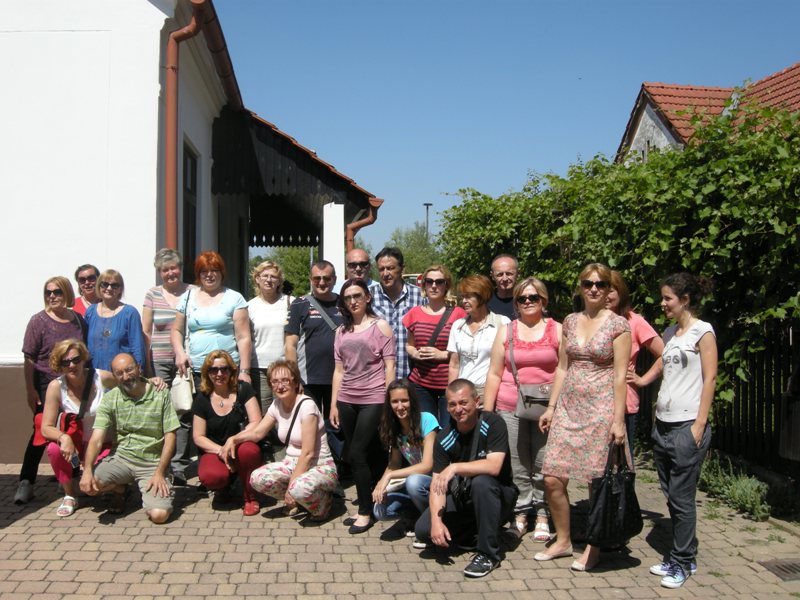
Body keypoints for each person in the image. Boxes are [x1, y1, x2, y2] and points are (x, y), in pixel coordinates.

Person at [537, 263, 631, 571]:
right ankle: (563, 540)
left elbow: (620, 376)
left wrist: (618, 420)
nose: (593, 289)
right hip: (568, 408)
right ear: (580, 287)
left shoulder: (618, 325)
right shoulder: (570, 321)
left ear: (608, 289)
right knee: (552, 476)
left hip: (601, 409)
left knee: (596, 481)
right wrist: (551, 407)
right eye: (588, 283)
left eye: (600, 284)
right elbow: (562, 367)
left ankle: (594, 545)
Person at [37, 340, 164, 516]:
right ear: (59, 365)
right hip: (75, 446)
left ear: (83, 359)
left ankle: (119, 490)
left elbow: (127, 381)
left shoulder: (100, 377)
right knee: (54, 449)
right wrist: (64, 438)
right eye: (65, 362)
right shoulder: (56, 387)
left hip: (104, 443)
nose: (72, 365)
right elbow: (46, 427)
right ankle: (70, 494)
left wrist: (151, 381)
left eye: (76, 359)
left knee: (95, 483)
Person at [649, 273, 716, 589]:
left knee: (682, 497)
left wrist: (700, 423)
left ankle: (682, 562)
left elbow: (710, 378)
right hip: (662, 425)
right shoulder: (670, 333)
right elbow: (663, 365)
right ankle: (681, 556)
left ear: (685, 300)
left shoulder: (703, 332)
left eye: (668, 298)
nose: (662, 303)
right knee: (671, 496)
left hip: (687, 426)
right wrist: (642, 380)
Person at [483, 277, 561, 542]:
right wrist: (488, 412)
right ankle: (521, 511)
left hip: (546, 407)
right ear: (515, 303)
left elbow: (564, 370)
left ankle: (543, 513)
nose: (528, 302)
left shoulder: (557, 330)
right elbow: (494, 373)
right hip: (509, 405)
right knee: (517, 463)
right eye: (522, 298)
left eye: (533, 297)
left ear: (543, 300)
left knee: (542, 462)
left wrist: (556, 406)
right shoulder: (506, 331)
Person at [414, 379, 517, 578]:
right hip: (465, 496)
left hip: (499, 495)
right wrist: (436, 521)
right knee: (424, 530)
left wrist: (455, 467)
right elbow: (437, 486)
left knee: (481, 482)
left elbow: (494, 466)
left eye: (463, 402)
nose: (458, 409)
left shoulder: (493, 423)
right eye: (452, 404)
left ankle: (488, 554)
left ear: (476, 401)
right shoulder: (444, 437)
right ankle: (474, 534)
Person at [171, 251, 252, 483]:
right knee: (193, 418)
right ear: (198, 274)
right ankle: (193, 468)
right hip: (197, 370)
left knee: (229, 416)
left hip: (226, 370)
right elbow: (176, 330)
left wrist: (244, 371)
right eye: (204, 271)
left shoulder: (234, 298)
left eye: (214, 271)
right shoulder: (187, 298)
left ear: (221, 273)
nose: (209, 275)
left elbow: (244, 337)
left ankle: (233, 465)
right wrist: (180, 352)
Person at [223, 360, 338, 521]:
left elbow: (308, 453)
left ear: (295, 382)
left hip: (319, 465)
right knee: (258, 478)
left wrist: (291, 487)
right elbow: (257, 433)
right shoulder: (277, 404)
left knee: (297, 489)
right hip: (292, 463)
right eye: (275, 381)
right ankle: (299, 498)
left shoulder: (307, 406)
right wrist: (234, 439)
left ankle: (322, 503)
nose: (280, 386)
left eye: (285, 380)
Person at [80, 353, 179, 523]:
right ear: (114, 376)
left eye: (129, 369)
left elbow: (170, 436)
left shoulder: (160, 393)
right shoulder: (110, 399)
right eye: (119, 373)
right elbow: (96, 439)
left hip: (152, 463)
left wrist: (160, 472)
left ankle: (150, 492)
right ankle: (120, 489)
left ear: (139, 368)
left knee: (159, 516)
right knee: (91, 485)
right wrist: (87, 470)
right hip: (122, 459)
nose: (125, 376)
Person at [331, 278, 396, 533]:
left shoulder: (381, 326)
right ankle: (379, 503)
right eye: (347, 298)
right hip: (347, 399)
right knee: (370, 453)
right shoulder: (341, 331)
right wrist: (334, 404)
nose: (353, 301)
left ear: (367, 297)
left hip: (374, 398)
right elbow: (338, 370)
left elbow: (390, 366)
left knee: (356, 454)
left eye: (357, 295)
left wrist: (389, 401)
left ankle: (365, 511)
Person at [17, 276, 87, 504]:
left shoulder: (77, 320)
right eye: (48, 292)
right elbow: (29, 358)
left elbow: (83, 351)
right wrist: (30, 389)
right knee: (41, 431)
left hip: (73, 384)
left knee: (72, 430)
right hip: (46, 385)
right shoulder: (38, 321)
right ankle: (26, 481)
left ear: (66, 293)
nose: (52, 296)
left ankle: (67, 478)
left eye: (57, 292)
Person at [192, 350, 262, 516]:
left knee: (249, 451)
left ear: (232, 371)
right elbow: (198, 437)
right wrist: (222, 451)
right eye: (213, 370)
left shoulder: (243, 389)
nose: (219, 374)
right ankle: (223, 489)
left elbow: (256, 422)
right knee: (211, 476)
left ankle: (250, 496)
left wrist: (234, 440)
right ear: (207, 373)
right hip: (215, 449)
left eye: (224, 369)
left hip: (242, 444)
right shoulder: (202, 398)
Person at [607, 270, 665, 455]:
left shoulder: (634, 321)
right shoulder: (589, 322)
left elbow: (666, 354)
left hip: (624, 405)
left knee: (621, 462)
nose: (605, 295)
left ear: (621, 293)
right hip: (593, 403)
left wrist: (643, 379)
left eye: (611, 290)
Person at [372, 379, 440, 535]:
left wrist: (389, 476)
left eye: (404, 400)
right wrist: (381, 485)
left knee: (413, 481)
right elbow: (395, 463)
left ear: (412, 401)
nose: (400, 406)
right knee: (379, 510)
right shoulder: (394, 426)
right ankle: (415, 514)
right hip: (413, 486)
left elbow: (427, 465)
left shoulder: (427, 420)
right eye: (395, 401)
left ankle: (431, 522)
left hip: (434, 482)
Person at [403, 265, 465, 424]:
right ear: (424, 285)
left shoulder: (459, 314)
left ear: (447, 285)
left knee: (449, 428)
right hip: (421, 384)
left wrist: (442, 354)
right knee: (427, 428)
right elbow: (409, 345)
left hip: (449, 384)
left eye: (439, 282)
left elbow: (465, 350)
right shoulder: (414, 313)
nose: (434, 286)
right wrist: (414, 353)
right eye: (429, 281)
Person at [285, 260, 342, 425]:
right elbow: (290, 345)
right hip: (308, 380)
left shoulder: (345, 303)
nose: (322, 283)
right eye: (317, 278)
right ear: (311, 279)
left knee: (336, 427)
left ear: (334, 279)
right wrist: (294, 378)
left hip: (340, 378)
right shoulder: (300, 304)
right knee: (310, 426)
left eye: (327, 278)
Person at [447, 274, 510, 398]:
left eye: (469, 296)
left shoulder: (502, 323)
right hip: (462, 393)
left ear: (482, 296)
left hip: (490, 391)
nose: (464, 301)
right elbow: (454, 365)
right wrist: (451, 395)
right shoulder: (457, 326)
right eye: (463, 297)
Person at [369, 247, 425, 379]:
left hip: (412, 376)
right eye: (381, 269)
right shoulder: (368, 296)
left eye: (390, 268)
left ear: (402, 269)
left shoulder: (419, 296)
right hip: (377, 377)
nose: (385, 273)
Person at [142, 248, 195, 382]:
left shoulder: (193, 292)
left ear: (180, 268)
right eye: (165, 270)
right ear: (159, 272)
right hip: (159, 362)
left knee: (186, 396)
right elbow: (146, 332)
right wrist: (147, 365)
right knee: (161, 394)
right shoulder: (152, 294)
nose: (170, 273)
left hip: (188, 360)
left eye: (173, 268)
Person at [248, 260, 294, 412]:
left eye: (273, 277)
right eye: (265, 276)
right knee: (263, 413)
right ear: (257, 279)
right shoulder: (249, 306)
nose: (269, 280)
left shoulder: (291, 303)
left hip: (284, 367)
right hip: (259, 368)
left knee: (286, 412)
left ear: (279, 281)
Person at [84, 269, 147, 371]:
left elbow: (137, 347)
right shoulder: (90, 311)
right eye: (105, 284)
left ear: (120, 289)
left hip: (121, 375)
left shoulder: (130, 313)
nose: (109, 288)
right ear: (99, 286)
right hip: (94, 374)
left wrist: (138, 371)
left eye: (114, 285)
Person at [487, 254, 519, 320]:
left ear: (518, 273)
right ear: (492, 276)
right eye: (500, 274)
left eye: (509, 274)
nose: (505, 279)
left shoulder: (527, 300)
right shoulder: (485, 302)